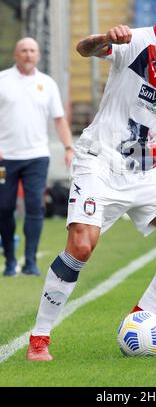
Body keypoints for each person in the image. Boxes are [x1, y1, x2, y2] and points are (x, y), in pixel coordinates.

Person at [27, 0, 156, 361]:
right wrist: (103, 39)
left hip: (144, 172)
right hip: (101, 161)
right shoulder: (134, 43)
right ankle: (39, 337)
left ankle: (144, 316)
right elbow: (84, 49)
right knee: (81, 244)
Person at [0, 38, 74, 277]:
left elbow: (59, 119)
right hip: (4, 158)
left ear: (39, 55)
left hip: (37, 157)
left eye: (32, 50)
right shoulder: (3, 81)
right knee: (4, 208)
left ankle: (30, 261)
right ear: (16, 54)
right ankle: (10, 260)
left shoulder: (47, 84)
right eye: (23, 50)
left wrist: (68, 147)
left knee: (35, 207)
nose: (28, 54)